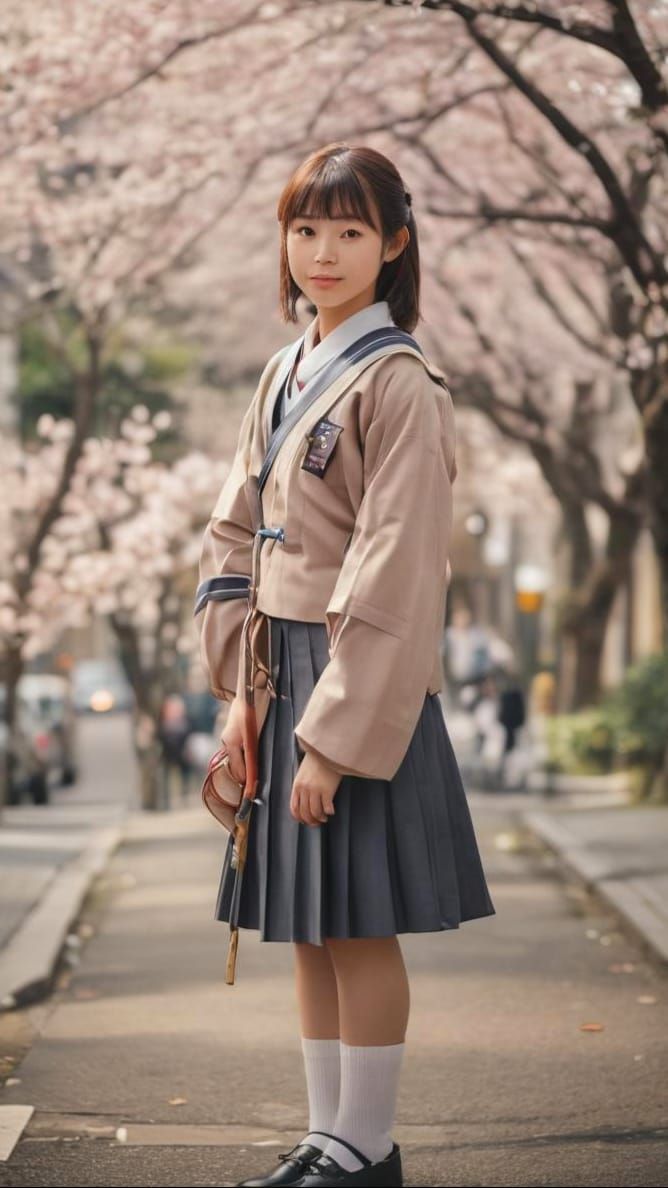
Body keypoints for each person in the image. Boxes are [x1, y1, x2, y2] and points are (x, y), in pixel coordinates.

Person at [195, 142, 496, 1188]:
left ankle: (366, 1146)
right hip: (278, 670)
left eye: (351, 231)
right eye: (306, 229)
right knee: (309, 926)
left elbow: (395, 568)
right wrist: (239, 693)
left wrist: (329, 741)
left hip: (356, 672)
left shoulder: (400, 382)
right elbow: (235, 531)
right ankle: (327, 1137)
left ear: (394, 244)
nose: (322, 252)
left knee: (357, 922)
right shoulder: (285, 369)